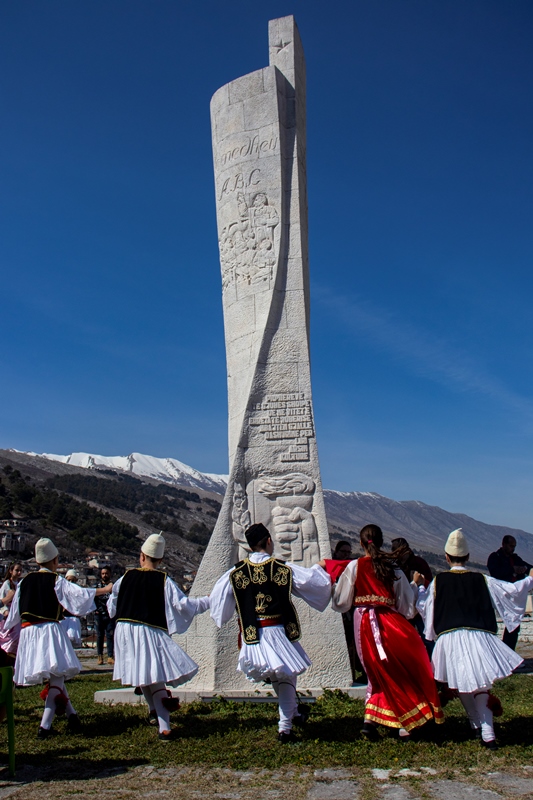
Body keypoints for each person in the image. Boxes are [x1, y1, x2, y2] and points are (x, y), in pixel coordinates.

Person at [210, 522, 332, 743]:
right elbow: (312, 583)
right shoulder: (282, 568)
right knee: (286, 675)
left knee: (280, 674)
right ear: (268, 541)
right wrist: (321, 568)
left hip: (252, 634)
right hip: (277, 631)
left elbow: (220, 606)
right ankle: (285, 728)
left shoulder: (235, 573)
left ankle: (293, 713)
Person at [416, 528, 533, 750]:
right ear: (468, 557)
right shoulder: (483, 579)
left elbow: (424, 607)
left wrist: (421, 587)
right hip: (479, 636)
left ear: (447, 557)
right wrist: (529, 581)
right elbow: (510, 591)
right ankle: (485, 729)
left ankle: (477, 722)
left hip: (450, 638)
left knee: (461, 681)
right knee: (480, 684)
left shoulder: (438, 582)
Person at [331, 524, 443, 740]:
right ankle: (402, 721)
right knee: (398, 670)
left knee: (374, 671)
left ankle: (371, 719)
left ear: (361, 543)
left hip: (363, 622)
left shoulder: (354, 566)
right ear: (381, 542)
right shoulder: (393, 568)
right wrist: (414, 584)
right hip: (391, 623)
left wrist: (332, 586)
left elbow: (341, 603)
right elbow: (407, 608)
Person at [4, 538, 112, 738]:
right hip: (48, 630)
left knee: (57, 675)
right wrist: (104, 590)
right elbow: (78, 594)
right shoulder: (56, 580)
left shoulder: (24, 582)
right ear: (55, 560)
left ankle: (72, 716)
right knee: (57, 675)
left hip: (28, 632)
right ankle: (44, 727)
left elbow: (14, 615)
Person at [107, 533, 210, 741]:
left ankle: (154, 712)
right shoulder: (164, 580)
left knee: (143, 674)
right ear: (160, 560)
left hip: (124, 630)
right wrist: (208, 601)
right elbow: (183, 606)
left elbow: (112, 606)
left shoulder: (124, 577)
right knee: (155, 676)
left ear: (141, 556)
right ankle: (165, 727)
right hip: (148, 629)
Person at [487, 535, 532, 650]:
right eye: (511, 546)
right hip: (500, 594)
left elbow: (528, 567)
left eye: (514, 547)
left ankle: (509, 652)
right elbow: (495, 572)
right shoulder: (495, 557)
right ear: (504, 544)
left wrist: (524, 570)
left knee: (514, 625)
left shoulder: (515, 558)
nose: (513, 549)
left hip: (513, 596)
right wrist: (512, 569)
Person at [390, 537, 433, 654]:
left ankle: (431, 661)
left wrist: (418, 585)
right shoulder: (394, 566)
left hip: (420, 606)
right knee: (404, 637)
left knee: (427, 637)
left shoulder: (419, 563)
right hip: (403, 607)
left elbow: (429, 583)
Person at [0, 562, 23, 664]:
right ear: (10, 571)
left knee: (17, 636)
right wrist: (5, 611)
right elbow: (2, 599)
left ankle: (13, 660)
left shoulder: (19, 584)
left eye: (20, 571)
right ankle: (7, 658)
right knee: (9, 638)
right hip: (8, 616)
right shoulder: (7, 584)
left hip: (17, 615)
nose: (19, 573)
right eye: (17, 570)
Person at [94, 566, 115, 665]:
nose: (104, 575)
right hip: (99, 614)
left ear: (110, 574)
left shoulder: (113, 586)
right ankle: (100, 656)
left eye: (106, 573)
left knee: (110, 635)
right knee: (99, 636)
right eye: (103, 573)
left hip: (110, 615)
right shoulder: (97, 586)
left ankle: (110, 656)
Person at [60, 570, 83, 648]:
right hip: (63, 618)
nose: (70, 582)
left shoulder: (78, 591)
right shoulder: (61, 591)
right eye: (69, 580)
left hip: (73, 619)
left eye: (73, 580)